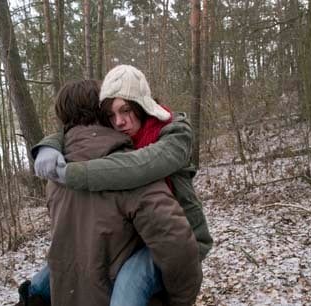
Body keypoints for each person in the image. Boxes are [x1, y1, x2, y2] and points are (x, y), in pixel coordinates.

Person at [29, 65, 213, 305]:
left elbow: (136, 167)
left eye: (126, 110)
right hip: (146, 238)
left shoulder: (173, 133)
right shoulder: (113, 142)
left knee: (128, 285)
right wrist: (49, 145)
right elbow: (77, 126)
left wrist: (71, 173)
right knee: (52, 270)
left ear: (141, 105)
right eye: (110, 114)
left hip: (182, 238)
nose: (119, 121)